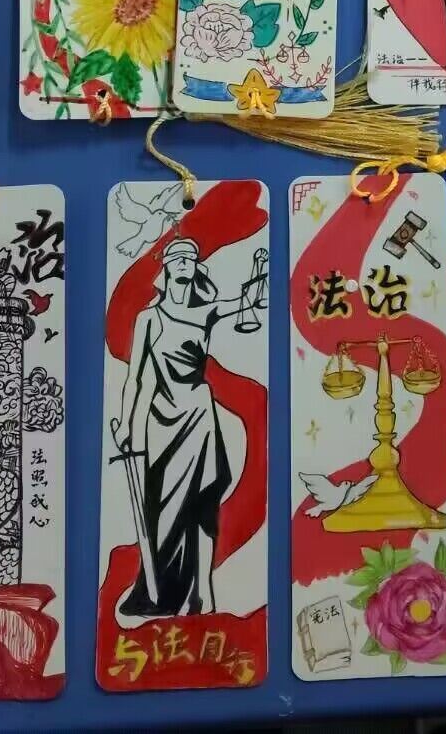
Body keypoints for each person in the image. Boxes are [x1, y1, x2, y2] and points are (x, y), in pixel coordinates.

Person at [112, 238, 266, 620]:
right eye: (177, 258)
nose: (184, 262)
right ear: (166, 269)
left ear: (196, 268)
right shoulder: (149, 319)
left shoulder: (205, 312)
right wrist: (127, 425)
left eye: (190, 258)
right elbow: (136, 379)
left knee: (203, 505)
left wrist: (260, 274)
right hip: (161, 423)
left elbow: (246, 303)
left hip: (199, 415)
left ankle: (204, 594)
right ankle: (160, 592)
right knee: (161, 510)